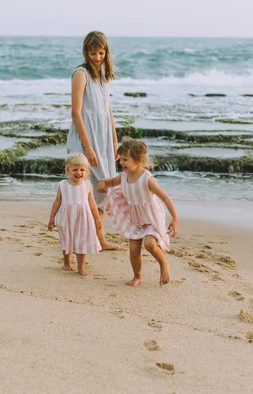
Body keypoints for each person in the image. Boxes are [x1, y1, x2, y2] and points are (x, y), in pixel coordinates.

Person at [66, 31, 122, 251]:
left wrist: (115, 141)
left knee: (102, 190)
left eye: (101, 53)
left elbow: (108, 111)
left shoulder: (104, 76)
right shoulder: (81, 74)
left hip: (104, 138)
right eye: (93, 53)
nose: (97, 57)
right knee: (81, 191)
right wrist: (87, 148)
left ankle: (99, 239)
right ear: (86, 52)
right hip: (85, 139)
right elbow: (76, 113)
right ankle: (80, 239)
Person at [97, 137, 178, 286]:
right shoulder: (123, 176)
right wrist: (102, 183)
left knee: (150, 244)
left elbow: (165, 198)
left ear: (138, 160)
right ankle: (137, 276)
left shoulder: (148, 179)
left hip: (151, 217)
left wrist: (174, 218)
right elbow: (110, 182)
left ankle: (163, 264)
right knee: (134, 250)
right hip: (135, 218)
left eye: (125, 159)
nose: (121, 163)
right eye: (120, 159)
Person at [48, 153, 102, 277]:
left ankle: (81, 266)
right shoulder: (63, 185)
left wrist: (97, 219)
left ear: (86, 171)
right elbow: (57, 201)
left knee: (82, 241)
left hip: (83, 217)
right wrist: (52, 218)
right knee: (66, 238)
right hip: (66, 217)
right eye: (75, 170)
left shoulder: (87, 185)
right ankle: (67, 262)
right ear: (68, 170)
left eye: (82, 169)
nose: (79, 172)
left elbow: (92, 203)